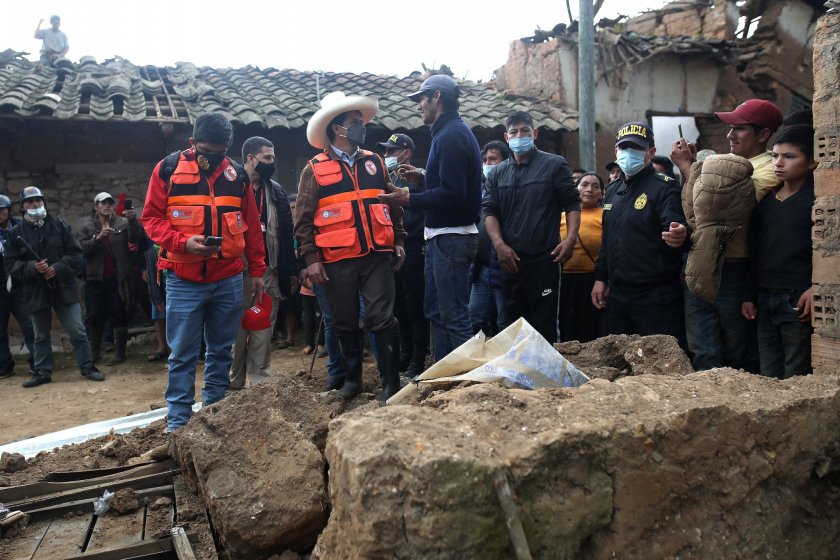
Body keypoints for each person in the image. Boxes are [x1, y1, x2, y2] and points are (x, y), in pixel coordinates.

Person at [141, 113, 266, 442]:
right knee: (181, 353)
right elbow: (151, 219)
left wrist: (257, 271)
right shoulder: (167, 169)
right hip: (183, 279)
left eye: (221, 152)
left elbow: (252, 227)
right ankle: (178, 424)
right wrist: (182, 243)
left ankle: (213, 414)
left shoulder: (236, 175)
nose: (213, 158)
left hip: (228, 277)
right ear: (192, 143)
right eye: (207, 150)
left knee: (221, 350)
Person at [294, 91, 406, 400]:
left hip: (377, 256)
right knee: (343, 320)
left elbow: (392, 205)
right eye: (354, 122)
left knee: (381, 318)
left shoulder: (375, 163)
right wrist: (310, 258)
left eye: (360, 121)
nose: (360, 127)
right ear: (336, 128)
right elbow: (302, 221)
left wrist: (398, 239)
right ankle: (353, 382)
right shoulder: (313, 169)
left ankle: (390, 385)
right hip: (336, 259)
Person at [671, 98, 783, 371]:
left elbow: (719, 205)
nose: (730, 135)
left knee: (737, 348)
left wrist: (688, 168)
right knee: (701, 347)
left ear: (764, 134)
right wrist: (696, 169)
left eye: (740, 128)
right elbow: (695, 214)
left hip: (735, 267)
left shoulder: (770, 167)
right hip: (700, 263)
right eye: (730, 128)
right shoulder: (726, 164)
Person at [379, 74, 482, 361]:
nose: (418, 106)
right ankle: (445, 377)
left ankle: (470, 386)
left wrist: (408, 198)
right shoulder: (448, 133)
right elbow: (452, 185)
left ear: (436, 97)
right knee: (437, 312)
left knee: (454, 317)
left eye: (421, 99)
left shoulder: (451, 136)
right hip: (443, 237)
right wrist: (423, 177)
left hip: (452, 238)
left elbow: (453, 194)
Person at [482, 111, 581, 343]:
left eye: (525, 131)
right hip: (510, 261)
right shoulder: (497, 173)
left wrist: (570, 239)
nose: (519, 136)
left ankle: (546, 378)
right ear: (507, 137)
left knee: (543, 327)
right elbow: (490, 211)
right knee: (511, 327)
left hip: (544, 260)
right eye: (514, 132)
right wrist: (499, 245)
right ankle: (518, 377)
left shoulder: (554, 165)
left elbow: (572, 203)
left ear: (534, 134)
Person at [592, 122, 689, 341]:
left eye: (636, 149)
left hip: (655, 296)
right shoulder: (613, 190)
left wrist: (680, 234)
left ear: (651, 152)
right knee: (612, 359)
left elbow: (676, 228)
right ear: (616, 151)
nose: (628, 154)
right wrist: (601, 278)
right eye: (624, 148)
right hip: (616, 295)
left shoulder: (664, 187)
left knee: (662, 366)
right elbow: (607, 240)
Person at [5, 187, 104, 387]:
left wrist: (57, 268)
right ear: (23, 206)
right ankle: (42, 372)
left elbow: (76, 256)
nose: (35, 204)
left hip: (63, 288)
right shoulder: (16, 234)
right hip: (35, 292)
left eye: (38, 201)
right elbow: (10, 265)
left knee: (77, 330)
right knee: (40, 335)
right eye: (30, 202)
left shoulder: (60, 226)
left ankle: (87, 367)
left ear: (43, 202)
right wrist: (33, 267)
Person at [741, 125, 816, 378]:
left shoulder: (817, 201)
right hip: (765, 297)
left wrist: (816, 288)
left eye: (790, 156)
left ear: (812, 163)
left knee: (796, 372)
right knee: (767, 373)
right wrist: (749, 295)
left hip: (799, 300)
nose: (779, 163)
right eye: (775, 156)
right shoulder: (765, 202)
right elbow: (755, 251)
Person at [229, 136, 297, 389]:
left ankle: (260, 388)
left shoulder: (275, 190)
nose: (271, 162)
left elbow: (287, 233)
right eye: (267, 158)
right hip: (237, 273)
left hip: (269, 271)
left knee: (262, 329)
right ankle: (231, 387)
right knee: (236, 333)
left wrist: (290, 270)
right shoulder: (231, 185)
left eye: (273, 158)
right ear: (250, 158)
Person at [378, 133, 429, 377]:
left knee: (415, 305)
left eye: (391, 151)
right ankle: (405, 353)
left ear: (406, 152)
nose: (387, 156)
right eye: (386, 152)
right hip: (392, 248)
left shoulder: (421, 179)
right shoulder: (384, 181)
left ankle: (419, 358)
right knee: (398, 305)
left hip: (415, 247)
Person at [77, 192, 143, 365]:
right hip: (94, 278)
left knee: (119, 314)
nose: (107, 206)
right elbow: (81, 250)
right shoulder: (87, 227)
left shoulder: (122, 223)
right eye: (103, 203)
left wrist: (133, 221)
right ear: (95, 206)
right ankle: (94, 353)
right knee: (94, 316)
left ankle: (120, 354)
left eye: (109, 203)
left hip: (117, 278)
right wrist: (98, 238)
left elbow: (138, 239)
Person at [470, 140, 509, 336]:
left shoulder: (511, 189)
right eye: (484, 160)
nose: (487, 164)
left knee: (505, 322)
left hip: (503, 267)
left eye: (493, 159)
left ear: (505, 161)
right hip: (481, 268)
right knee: (473, 318)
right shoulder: (480, 191)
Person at [559, 173, 604, 342]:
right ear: (576, 189)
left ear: (602, 192)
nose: (589, 189)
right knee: (565, 326)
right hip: (564, 280)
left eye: (595, 186)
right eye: (584, 184)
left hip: (593, 281)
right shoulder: (562, 216)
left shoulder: (605, 216)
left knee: (590, 328)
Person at [0, 195, 35, 379]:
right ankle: (4, 366)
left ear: (9, 209)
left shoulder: (20, 228)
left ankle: (37, 363)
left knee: (29, 325)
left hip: (20, 285)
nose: (0, 214)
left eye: (3, 209)